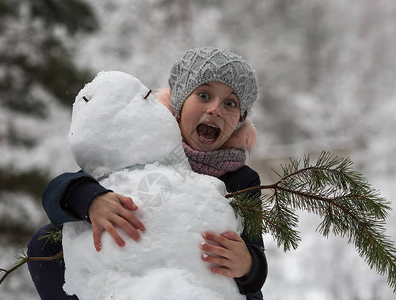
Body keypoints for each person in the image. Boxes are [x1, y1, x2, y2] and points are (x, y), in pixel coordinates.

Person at [27, 46, 268, 299]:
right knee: (45, 242)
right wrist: (91, 199)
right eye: (204, 95)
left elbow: (256, 257)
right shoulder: (140, 148)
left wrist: (249, 265)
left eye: (230, 103)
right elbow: (54, 196)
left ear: (239, 120)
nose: (215, 109)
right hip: (130, 276)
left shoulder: (241, 180)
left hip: (197, 283)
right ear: (179, 102)